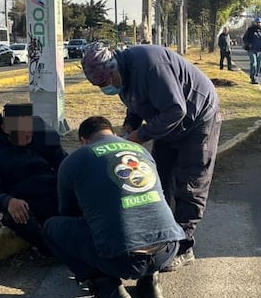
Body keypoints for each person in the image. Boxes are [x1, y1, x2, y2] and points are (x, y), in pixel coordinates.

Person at [81, 42, 220, 272]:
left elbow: (176, 109)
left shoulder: (152, 65)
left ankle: (184, 247)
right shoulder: (122, 76)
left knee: (190, 184)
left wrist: (140, 135)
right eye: (100, 86)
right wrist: (129, 126)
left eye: (106, 83)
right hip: (166, 120)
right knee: (158, 178)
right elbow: (136, 103)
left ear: (114, 68)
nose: (106, 88)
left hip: (198, 118)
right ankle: (162, 236)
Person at [43, 116, 185, 298]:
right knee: (146, 214)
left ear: (83, 140)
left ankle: (107, 289)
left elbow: (68, 212)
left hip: (124, 260)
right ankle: (150, 282)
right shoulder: (141, 150)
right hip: (168, 249)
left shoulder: (75, 159)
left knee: (52, 227)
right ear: (113, 133)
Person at [0, 103, 66, 254]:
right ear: (6, 129)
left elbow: (63, 161)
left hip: (55, 194)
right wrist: (8, 201)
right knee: (17, 217)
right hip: (26, 204)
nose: (28, 134)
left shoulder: (41, 131)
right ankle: (52, 250)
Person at [242, 17, 261, 84]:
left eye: (259, 22)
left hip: (259, 50)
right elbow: (244, 38)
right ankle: (252, 77)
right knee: (254, 63)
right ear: (255, 23)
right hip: (251, 50)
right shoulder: (250, 30)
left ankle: (256, 77)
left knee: (258, 65)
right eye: (257, 22)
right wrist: (248, 44)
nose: (258, 23)